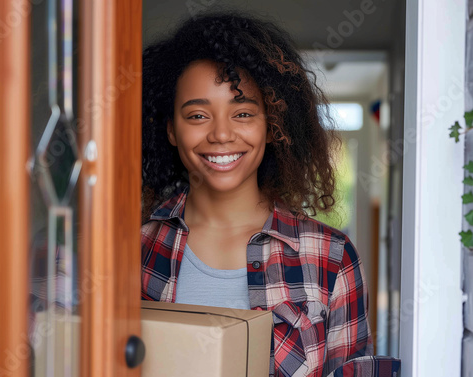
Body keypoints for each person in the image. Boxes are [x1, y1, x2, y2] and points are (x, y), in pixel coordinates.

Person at [141, 12, 400, 377]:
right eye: (198, 116)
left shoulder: (332, 258)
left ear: (271, 125)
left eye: (243, 113)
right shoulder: (130, 245)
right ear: (170, 129)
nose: (221, 134)